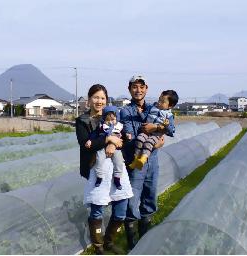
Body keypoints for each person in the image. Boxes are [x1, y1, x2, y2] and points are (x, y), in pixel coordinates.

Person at [75, 84, 133, 254]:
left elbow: (123, 140)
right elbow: (86, 144)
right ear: (89, 99)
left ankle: (109, 241)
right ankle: (98, 245)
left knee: (121, 208)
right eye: (96, 97)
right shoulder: (83, 121)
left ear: (106, 100)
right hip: (96, 168)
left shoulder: (113, 117)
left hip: (116, 167)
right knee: (97, 208)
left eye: (102, 98)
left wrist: (115, 144)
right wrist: (109, 139)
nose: (99, 101)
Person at [120, 75, 175, 250]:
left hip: (152, 162)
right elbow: (129, 136)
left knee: (149, 199)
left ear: (146, 89)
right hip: (136, 161)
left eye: (141, 87)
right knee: (132, 200)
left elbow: (171, 128)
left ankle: (145, 243)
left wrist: (157, 128)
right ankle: (132, 244)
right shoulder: (126, 111)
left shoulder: (156, 107)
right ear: (130, 89)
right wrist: (154, 140)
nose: (138, 90)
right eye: (134, 87)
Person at [128, 90, 178, 170]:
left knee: (148, 143)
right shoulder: (152, 108)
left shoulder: (169, 116)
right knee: (139, 139)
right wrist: (140, 113)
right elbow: (144, 117)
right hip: (146, 132)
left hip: (156, 134)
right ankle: (136, 159)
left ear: (170, 106)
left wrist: (166, 125)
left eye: (162, 102)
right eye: (159, 100)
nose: (159, 102)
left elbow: (172, 131)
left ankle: (143, 159)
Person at [85, 105, 124, 189]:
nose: (110, 122)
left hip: (116, 147)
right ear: (104, 119)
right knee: (99, 158)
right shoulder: (101, 127)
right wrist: (90, 140)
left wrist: (127, 135)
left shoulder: (120, 127)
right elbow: (94, 134)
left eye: (113, 119)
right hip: (103, 146)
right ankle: (99, 177)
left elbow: (123, 137)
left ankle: (117, 178)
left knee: (119, 161)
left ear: (117, 118)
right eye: (107, 120)